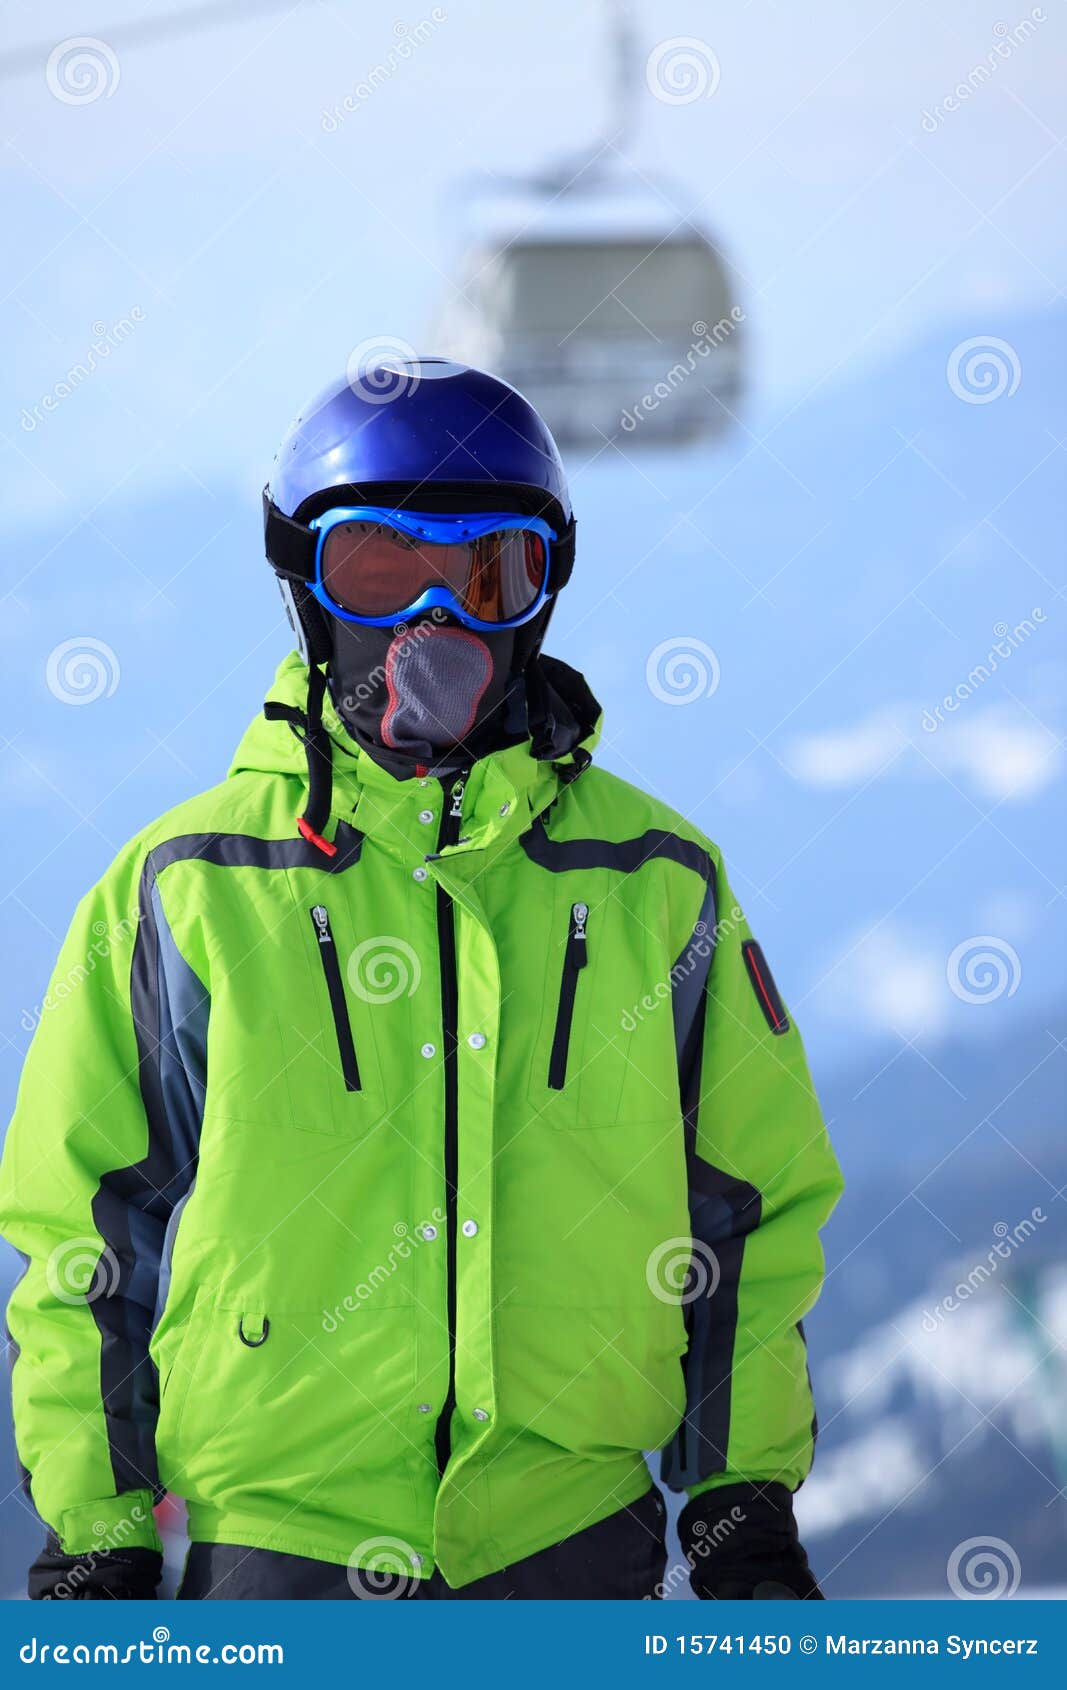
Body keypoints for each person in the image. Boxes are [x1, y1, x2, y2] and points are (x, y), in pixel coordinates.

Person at [0, 358, 842, 1601]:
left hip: (565, 1538)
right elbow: (86, 1231)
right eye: (380, 572)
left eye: (486, 573)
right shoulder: (196, 887)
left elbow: (744, 1212)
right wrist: (99, 1518)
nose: (431, 622)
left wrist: (736, 1498)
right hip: (279, 1545)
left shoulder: (650, 884)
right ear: (305, 585)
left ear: (539, 596)